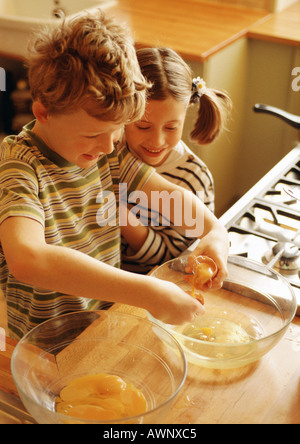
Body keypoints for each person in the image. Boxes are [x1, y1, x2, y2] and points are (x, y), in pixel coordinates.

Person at [0, 11, 228, 340]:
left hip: (105, 323)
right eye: (93, 134)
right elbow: (28, 259)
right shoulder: (20, 167)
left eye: (117, 130)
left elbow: (173, 200)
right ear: (43, 112)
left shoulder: (108, 155)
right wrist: (148, 292)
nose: (109, 146)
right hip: (47, 341)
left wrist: (214, 231)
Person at [121, 47, 231, 273]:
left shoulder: (193, 178)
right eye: (143, 126)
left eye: (171, 127)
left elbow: (171, 260)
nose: (157, 140)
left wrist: (119, 215)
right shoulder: (107, 148)